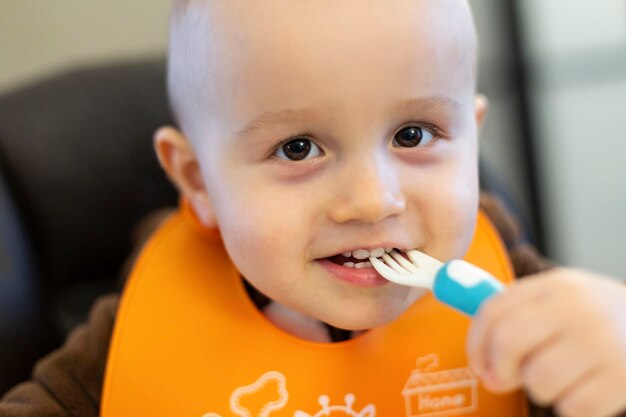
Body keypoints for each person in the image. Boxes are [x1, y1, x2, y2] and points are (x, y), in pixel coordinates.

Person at [2, 0, 625, 416]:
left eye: (413, 135)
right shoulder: (138, 325)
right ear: (196, 181)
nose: (373, 200)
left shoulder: (512, 287)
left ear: (472, 137)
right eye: (297, 148)